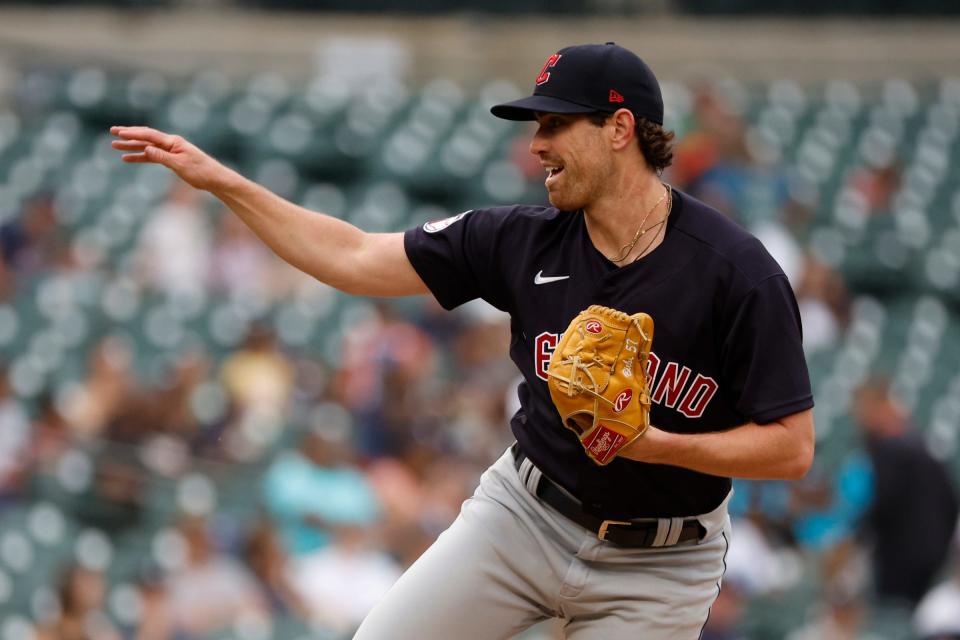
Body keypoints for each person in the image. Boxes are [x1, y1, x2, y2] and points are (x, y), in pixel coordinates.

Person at [110, 42, 815, 639]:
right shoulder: (517, 238)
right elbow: (354, 256)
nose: (536, 143)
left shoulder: (735, 272)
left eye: (556, 124)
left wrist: (660, 447)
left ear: (619, 128)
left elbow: (791, 447)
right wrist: (223, 182)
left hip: (661, 563)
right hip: (524, 516)